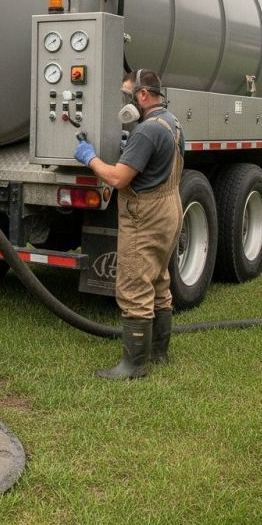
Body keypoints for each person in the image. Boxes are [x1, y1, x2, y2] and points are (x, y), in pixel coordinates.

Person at [74, 69, 184, 380]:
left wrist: (89, 157)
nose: (124, 102)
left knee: (134, 284)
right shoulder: (171, 121)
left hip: (145, 213)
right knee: (158, 279)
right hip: (170, 207)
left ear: (143, 95)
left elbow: (118, 178)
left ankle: (133, 366)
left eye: (127, 95)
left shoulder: (146, 131)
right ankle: (158, 353)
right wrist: (130, 147)